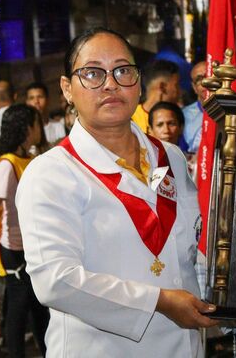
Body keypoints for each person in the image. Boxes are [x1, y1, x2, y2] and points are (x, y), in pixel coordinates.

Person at [16, 27, 216, 356]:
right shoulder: (51, 173)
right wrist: (159, 301)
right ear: (67, 88)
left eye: (123, 70)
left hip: (183, 344)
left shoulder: (170, 158)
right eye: (93, 73)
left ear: (138, 83)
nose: (111, 84)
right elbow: (55, 280)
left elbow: (192, 247)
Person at [0, 104, 49, 357]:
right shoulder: (7, 164)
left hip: (33, 245)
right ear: (27, 128)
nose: (41, 129)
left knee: (39, 305)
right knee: (19, 305)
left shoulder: (32, 158)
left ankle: (48, 350)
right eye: (37, 123)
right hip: (14, 249)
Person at [131, 60, 181, 134]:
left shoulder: (178, 117)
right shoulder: (130, 119)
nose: (180, 91)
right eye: (176, 85)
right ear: (162, 87)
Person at [25, 82, 66, 146]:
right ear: (27, 102)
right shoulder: (25, 131)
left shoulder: (58, 126)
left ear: (48, 100)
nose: (36, 101)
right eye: (31, 98)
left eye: (40, 97)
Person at [182, 61, 207, 154]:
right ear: (194, 87)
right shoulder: (183, 115)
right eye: (199, 79)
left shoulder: (230, 111)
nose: (205, 82)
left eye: (209, 76)